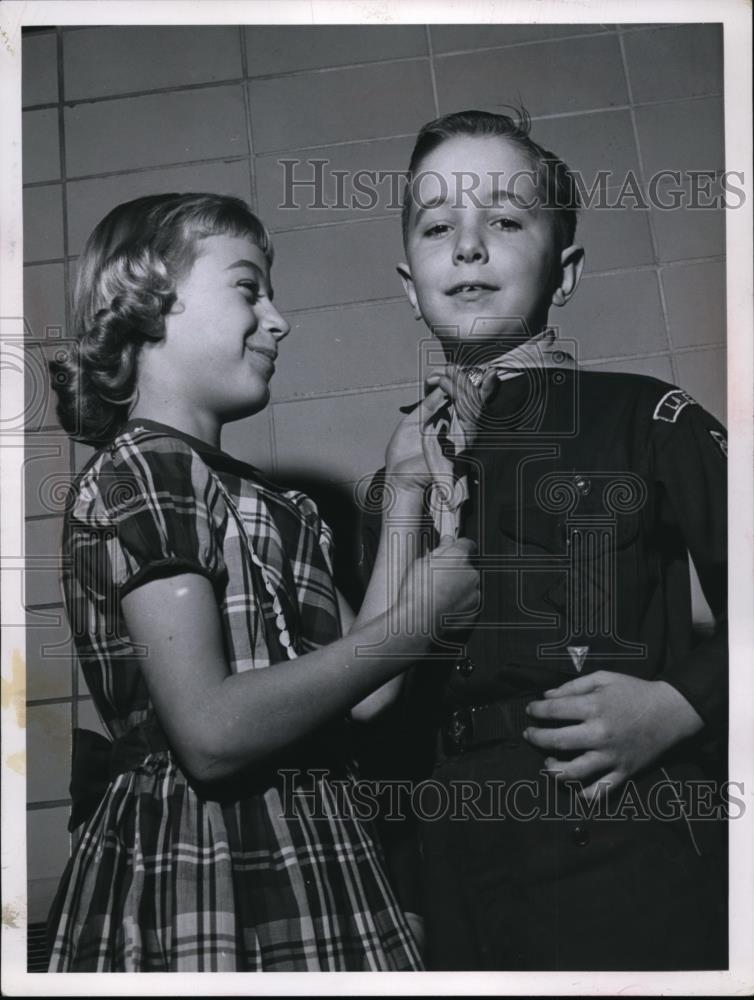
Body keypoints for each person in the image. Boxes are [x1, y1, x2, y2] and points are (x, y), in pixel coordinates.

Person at [45, 192, 478, 972]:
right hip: (203, 856)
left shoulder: (279, 505)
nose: (279, 320)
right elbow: (210, 737)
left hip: (317, 843)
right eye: (249, 289)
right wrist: (415, 624)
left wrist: (408, 486)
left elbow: (369, 688)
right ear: (145, 301)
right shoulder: (147, 469)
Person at [359, 110, 728, 971]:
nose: (470, 247)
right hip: (453, 862)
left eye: (507, 220)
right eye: (439, 225)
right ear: (410, 282)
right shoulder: (399, 476)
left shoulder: (649, 419)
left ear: (565, 272)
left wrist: (680, 705)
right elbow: (374, 707)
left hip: (626, 830)